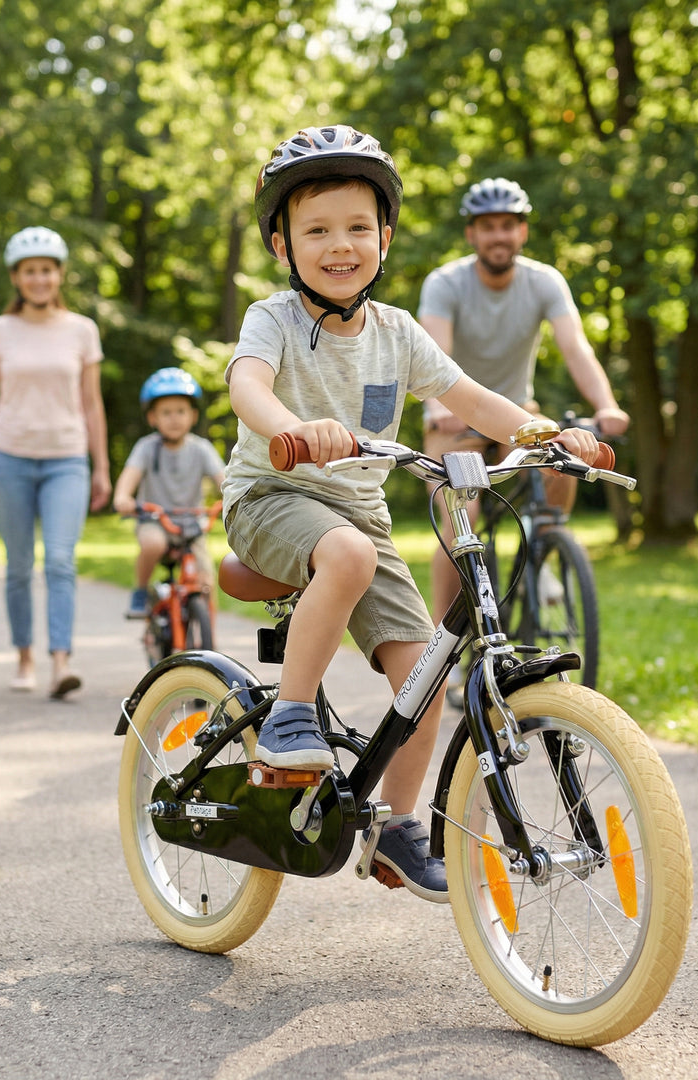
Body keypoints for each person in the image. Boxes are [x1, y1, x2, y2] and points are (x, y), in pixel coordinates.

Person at [222, 125, 600, 902]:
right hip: (272, 497)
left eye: (358, 227)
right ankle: (291, 719)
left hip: (359, 518)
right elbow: (247, 387)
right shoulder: (274, 319)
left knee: (426, 667)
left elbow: (471, 399)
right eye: (316, 229)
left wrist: (546, 432)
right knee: (350, 556)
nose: (340, 245)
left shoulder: (398, 332)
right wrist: (289, 429)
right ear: (281, 245)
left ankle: (394, 827)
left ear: (386, 238)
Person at [418, 176, 630, 624]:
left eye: (508, 225)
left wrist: (607, 405)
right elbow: (434, 356)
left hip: (517, 415)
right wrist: (439, 409)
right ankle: (442, 649)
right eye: (488, 226)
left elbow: (576, 347)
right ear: (471, 234)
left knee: (562, 458)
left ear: (522, 232)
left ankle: (546, 552)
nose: (499, 235)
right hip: (453, 417)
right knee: (463, 521)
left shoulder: (544, 281)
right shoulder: (445, 283)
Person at [0, 226, 110, 699]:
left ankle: (60, 663)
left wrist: (101, 467)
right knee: (19, 566)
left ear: (59, 275)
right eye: (29, 271)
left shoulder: (82, 329)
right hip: (10, 460)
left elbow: (92, 404)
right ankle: (24, 657)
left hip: (66, 460)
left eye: (47, 270)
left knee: (60, 561)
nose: (39, 279)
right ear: (16, 278)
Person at [112, 367, 225, 618]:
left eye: (181, 411)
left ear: (193, 415)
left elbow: (224, 481)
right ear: (153, 418)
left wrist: (233, 496)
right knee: (153, 544)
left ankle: (210, 640)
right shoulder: (146, 448)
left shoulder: (201, 449)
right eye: (166, 413)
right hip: (155, 521)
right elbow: (128, 479)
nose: (174, 418)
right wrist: (123, 498)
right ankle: (140, 591)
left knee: (207, 579)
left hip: (191, 524)